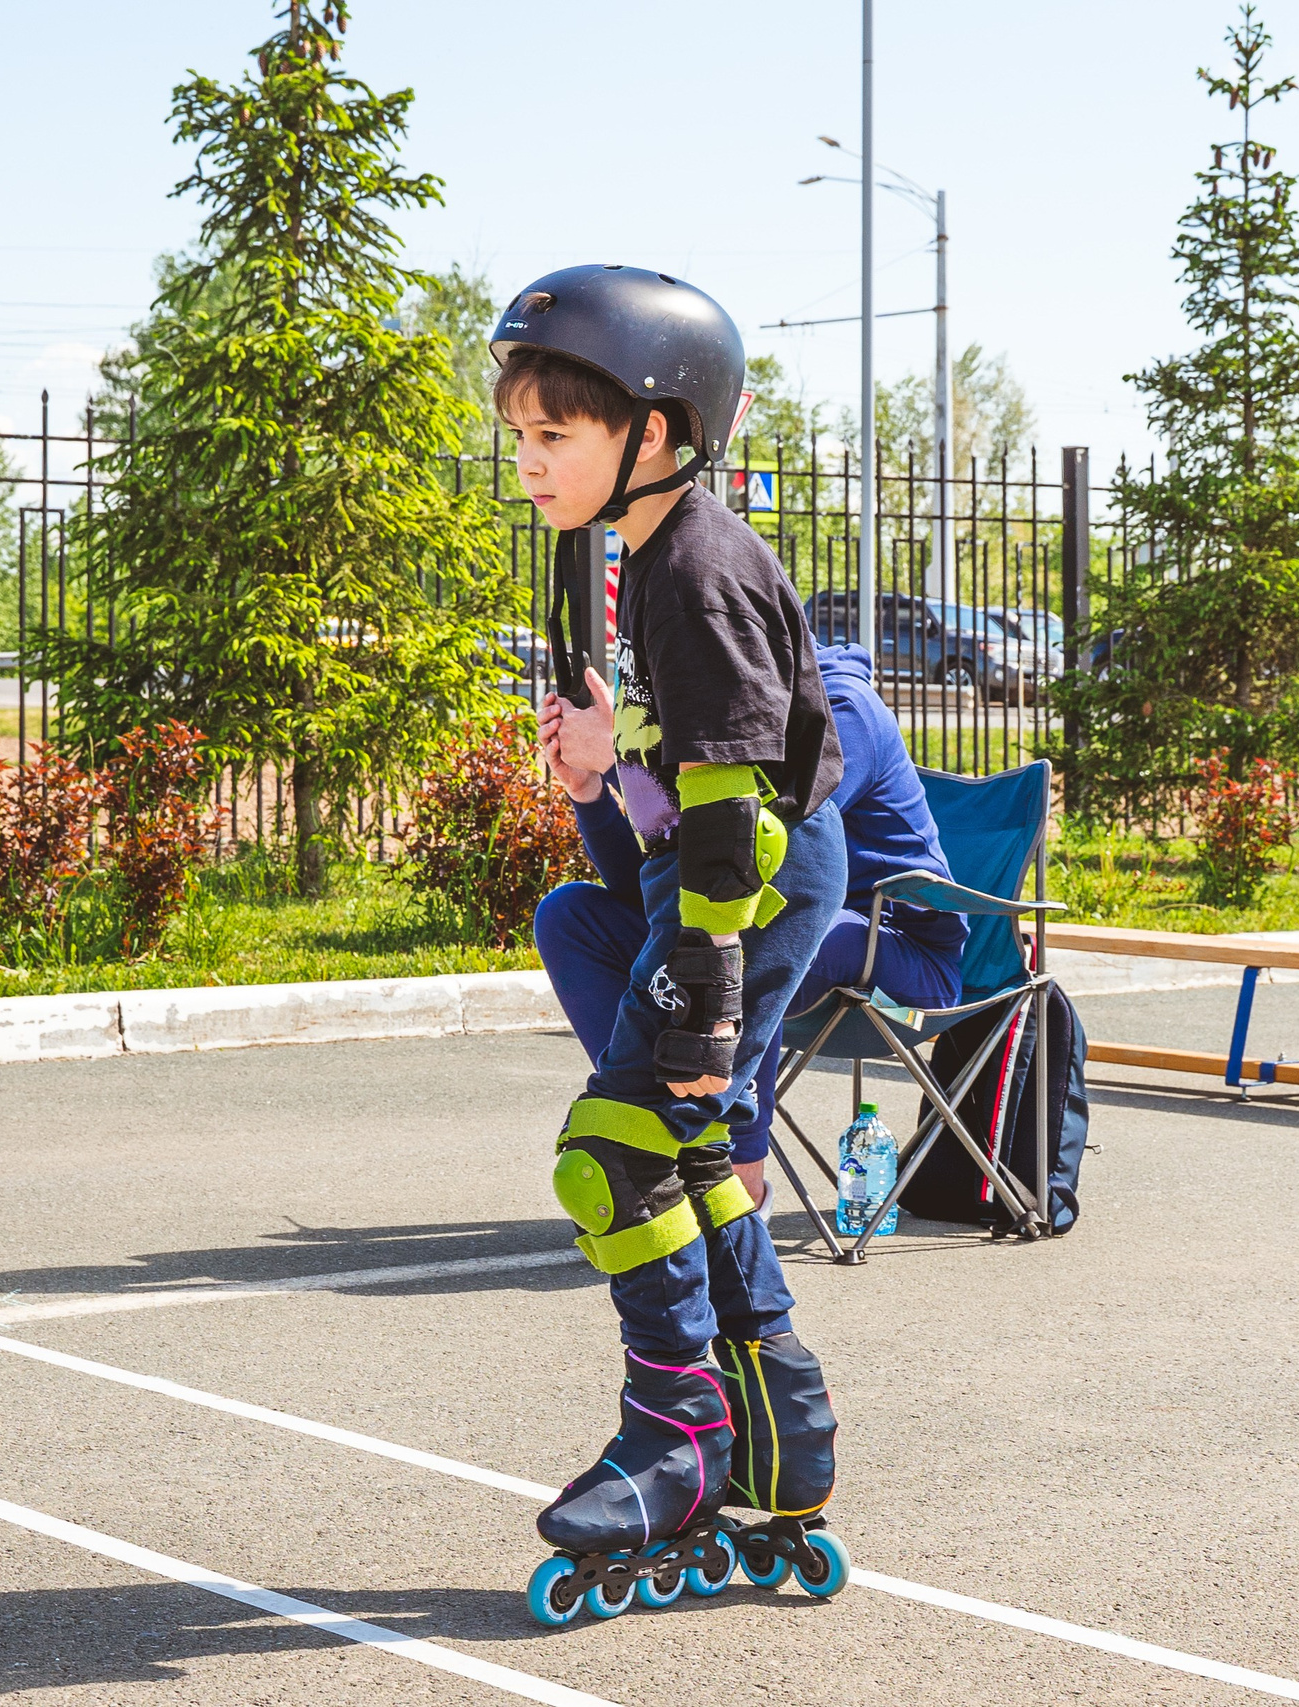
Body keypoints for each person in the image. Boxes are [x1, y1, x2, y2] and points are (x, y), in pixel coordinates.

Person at [493, 263, 853, 1619]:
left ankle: (681, 1436)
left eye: (558, 433)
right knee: (692, 1149)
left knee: (613, 1150)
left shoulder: (696, 569)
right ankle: (779, 1426)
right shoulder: (624, 557)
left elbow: (729, 810)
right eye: (519, 434)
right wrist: (594, 779)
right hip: (704, 881)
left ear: (656, 431)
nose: (530, 462)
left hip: (742, 886)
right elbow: (659, 791)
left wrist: (702, 997)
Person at [537, 641, 965, 1213]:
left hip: (903, 965)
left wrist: (621, 758)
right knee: (571, 916)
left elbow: (770, 844)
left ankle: (739, 1181)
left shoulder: (842, 710)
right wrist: (588, 790)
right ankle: (654, 1126)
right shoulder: (720, 728)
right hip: (805, 932)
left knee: (749, 931)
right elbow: (650, 891)